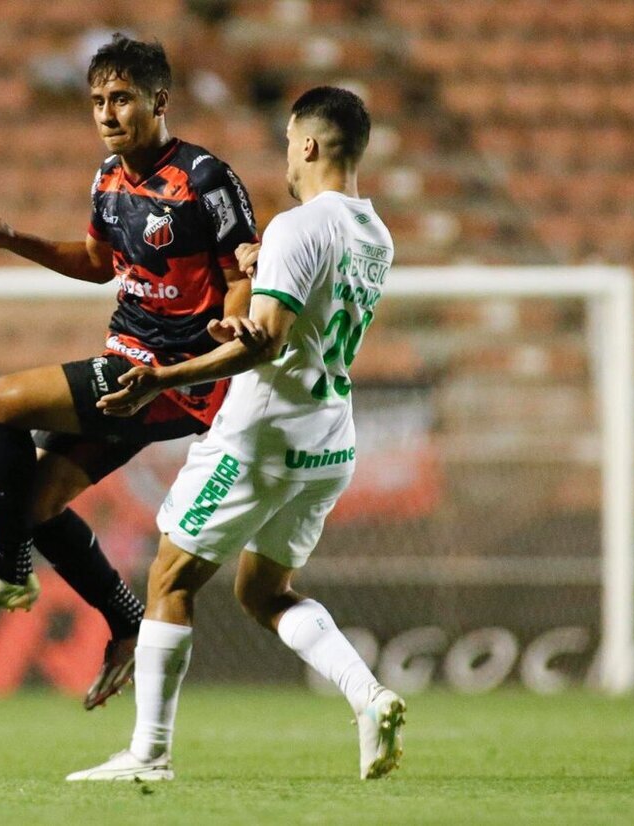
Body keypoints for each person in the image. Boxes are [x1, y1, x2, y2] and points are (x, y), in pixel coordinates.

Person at [66, 86, 404, 780]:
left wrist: (162, 378)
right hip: (329, 437)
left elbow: (265, 346)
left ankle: (147, 754)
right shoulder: (374, 233)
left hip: (261, 434)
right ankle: (367, 698)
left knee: (169, 577)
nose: (285, 153)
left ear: (306, 145)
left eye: (287, 140)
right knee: (262, 591)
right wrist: (249, 299)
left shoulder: (295, 227)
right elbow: (293, 322)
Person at [0, 33, 260, 710]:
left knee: (0, 403)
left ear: (158, 100)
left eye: (121, 98)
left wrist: (229, 323)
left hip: (175, 376)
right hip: (128, 361)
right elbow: (97, 262)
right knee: (37, 508)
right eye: (97, 100)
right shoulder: (108, 178)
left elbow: (238, 270)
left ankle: (5, 570)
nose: (107, 113)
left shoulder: (204, 178)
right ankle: (126, 621)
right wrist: (13, 240)